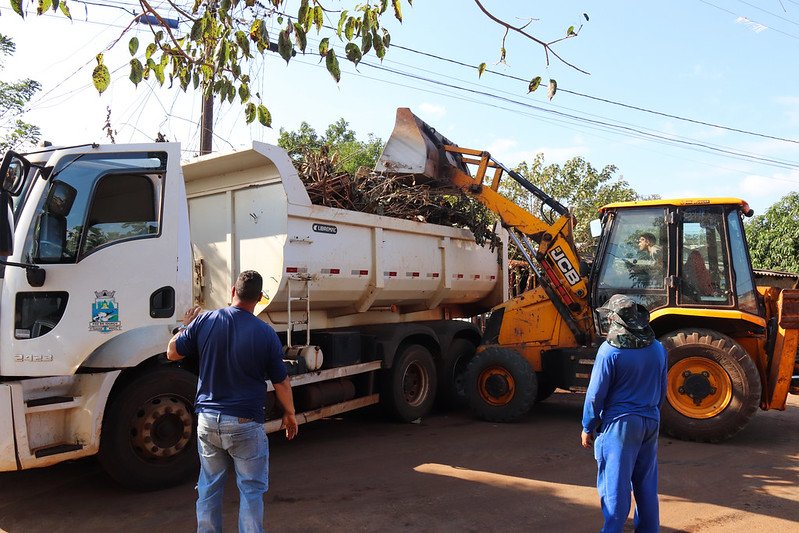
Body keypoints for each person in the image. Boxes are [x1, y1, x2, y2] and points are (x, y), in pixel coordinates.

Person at [167, 270, 298, 533]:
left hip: (207, 421)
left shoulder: (204, 321)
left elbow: (172, 353)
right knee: (250, 489)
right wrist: (290, 414)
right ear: (259, 298)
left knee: (209, 485)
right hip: (245, 422)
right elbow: (281, 382)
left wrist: (185, 326)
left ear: (232, 291)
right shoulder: (265, 333)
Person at [581, 294, 668, 533]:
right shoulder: (658, 349)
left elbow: (595, 395)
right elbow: (662, 390)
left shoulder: (610, 352)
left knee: (616, 487)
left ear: (616, 321)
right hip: (650, 421)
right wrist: (650, 416)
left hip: (620, 426)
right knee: (646, 484)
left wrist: (588, 426)